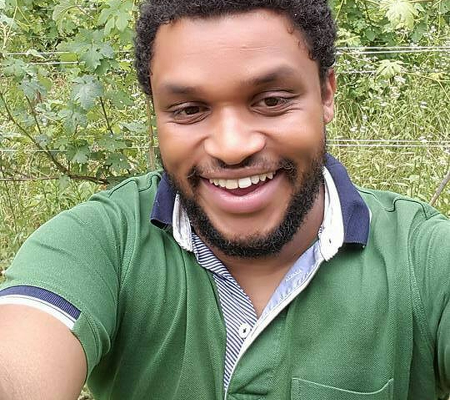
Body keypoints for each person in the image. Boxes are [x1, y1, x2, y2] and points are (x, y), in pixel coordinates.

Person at [0, 0, 449, 399]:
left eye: (272, 101)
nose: (232, 147)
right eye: (188, 110)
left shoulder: (423, 259)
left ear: (327, 94)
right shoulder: (101, 244)